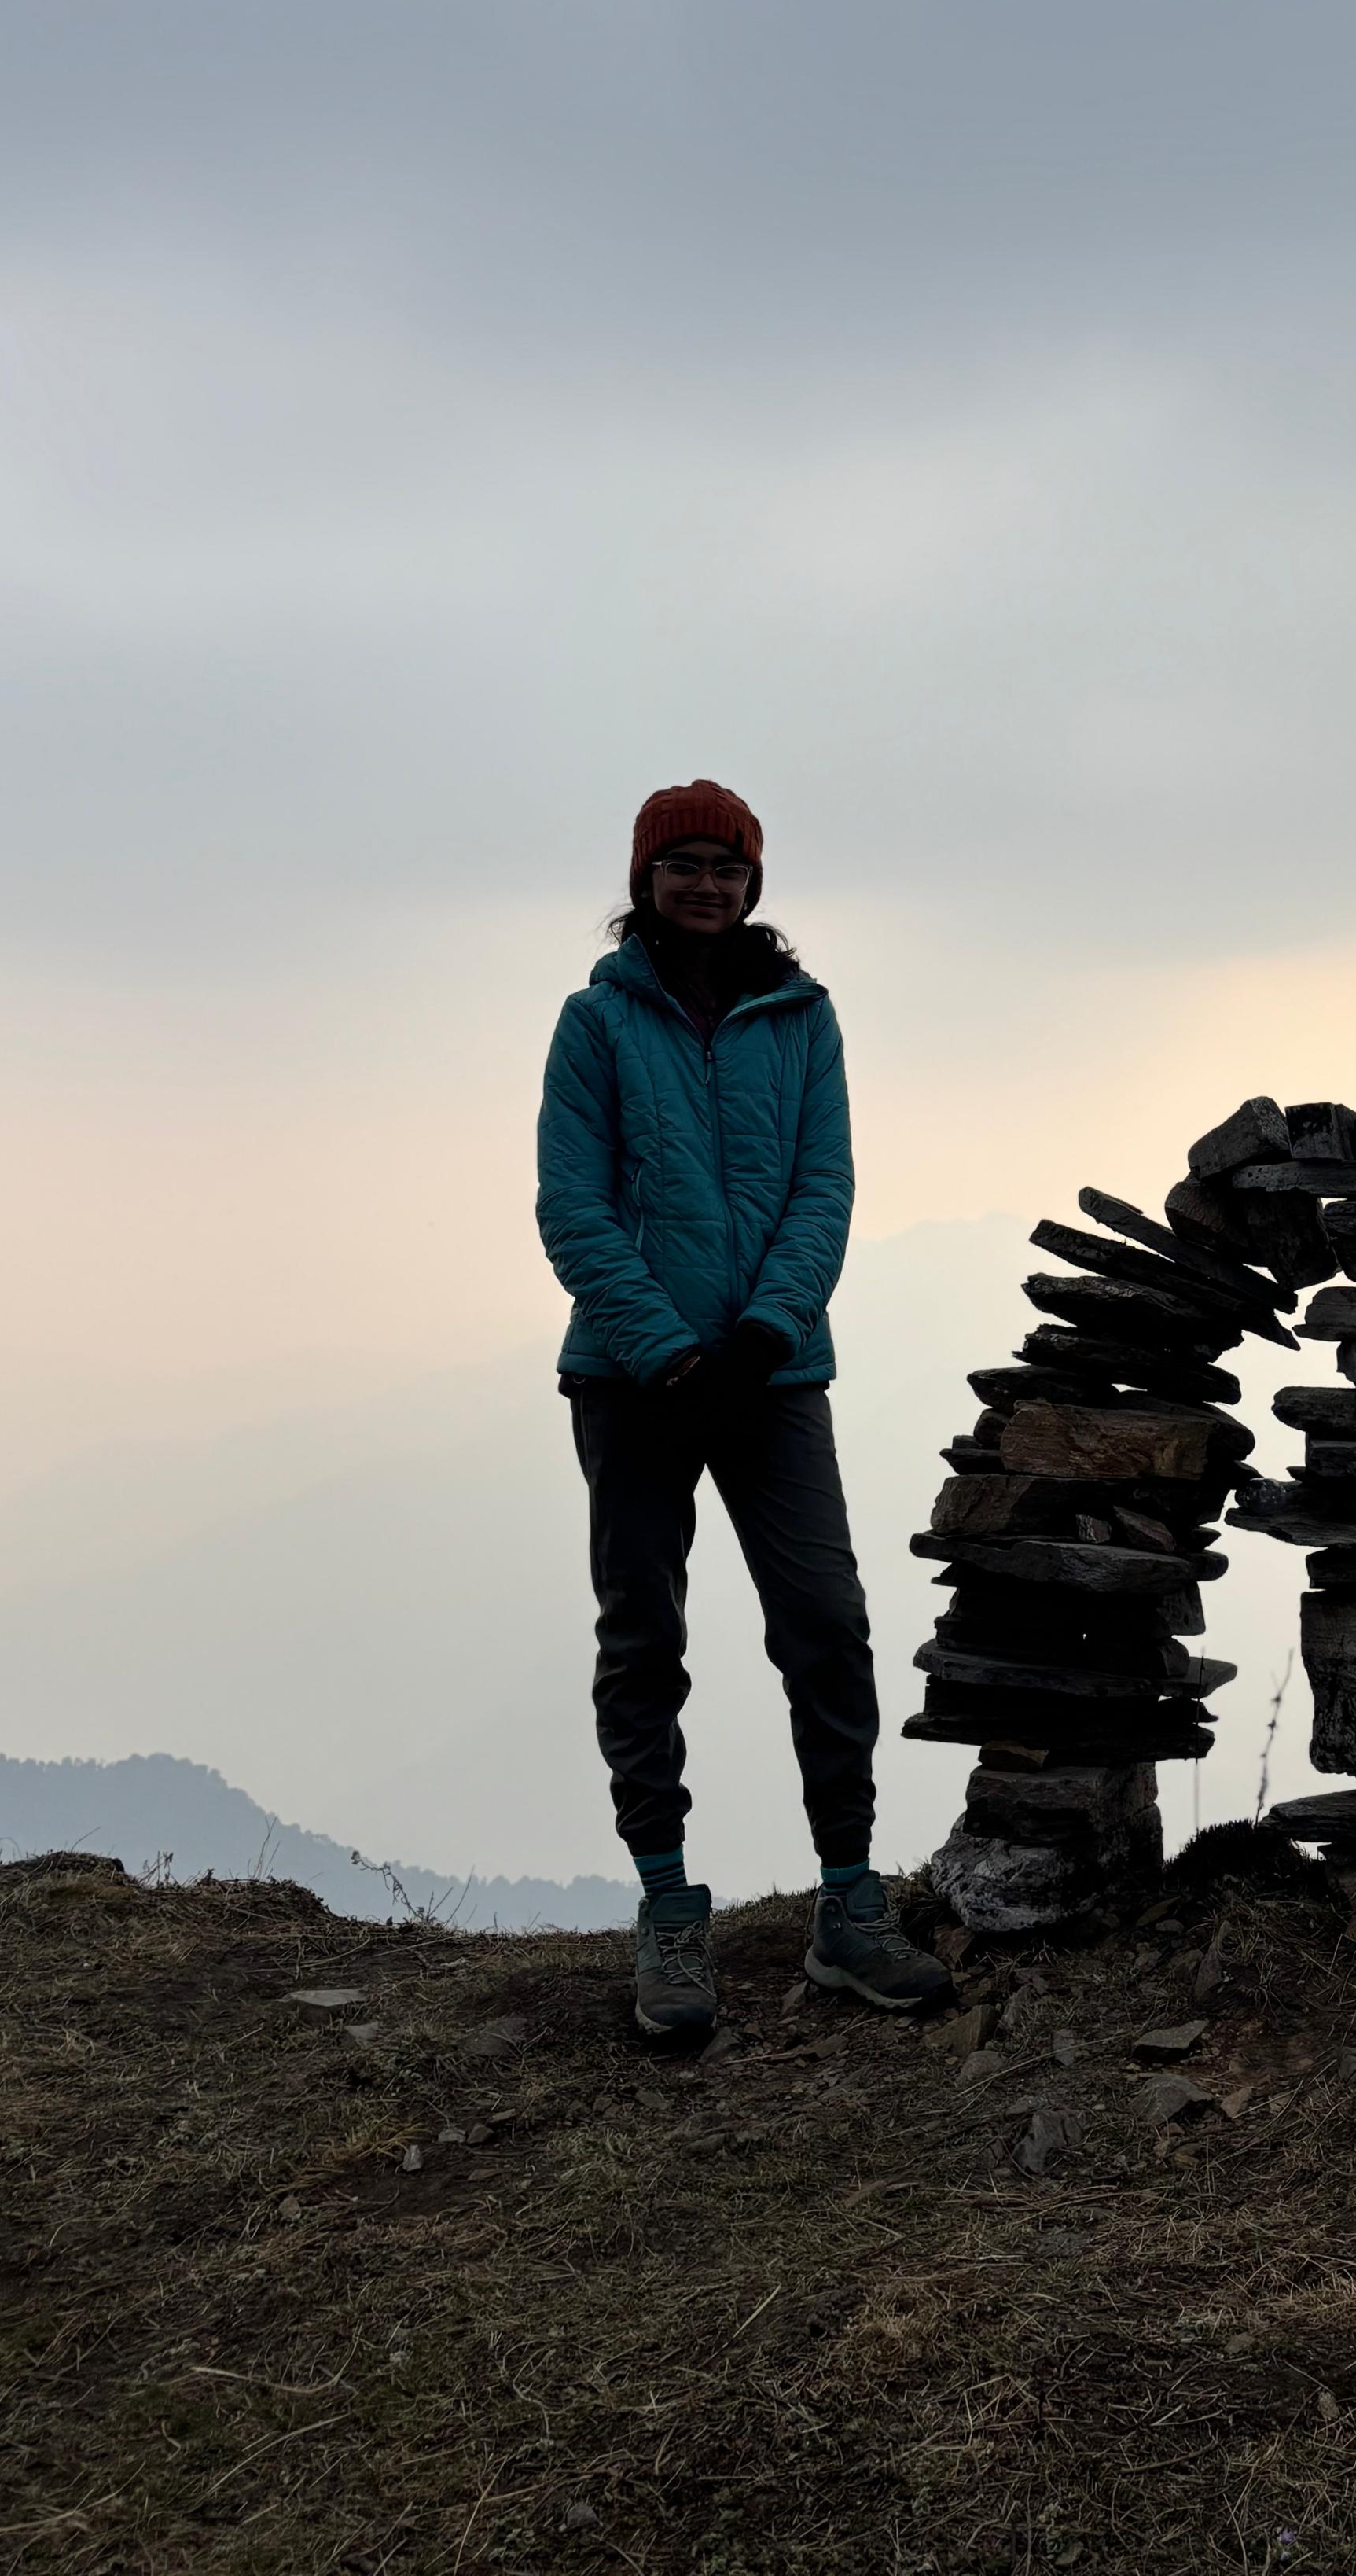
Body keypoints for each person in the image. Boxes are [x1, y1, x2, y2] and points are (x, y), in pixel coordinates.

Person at [536, 777, 947, 2036]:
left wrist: (768, 1330)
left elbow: (824, 1188)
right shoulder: (595, 1024)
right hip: (632, 1381)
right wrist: (665, 1349)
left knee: (826, 1623)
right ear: (645, 882)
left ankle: (848, 1904)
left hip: (773, 1377)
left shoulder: (801, 1018)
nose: (706, 883)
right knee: (643, 1638)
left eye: (727, 865)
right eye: (683, 865)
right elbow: (575, 1206)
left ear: (754, 883)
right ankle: (668, 1915)